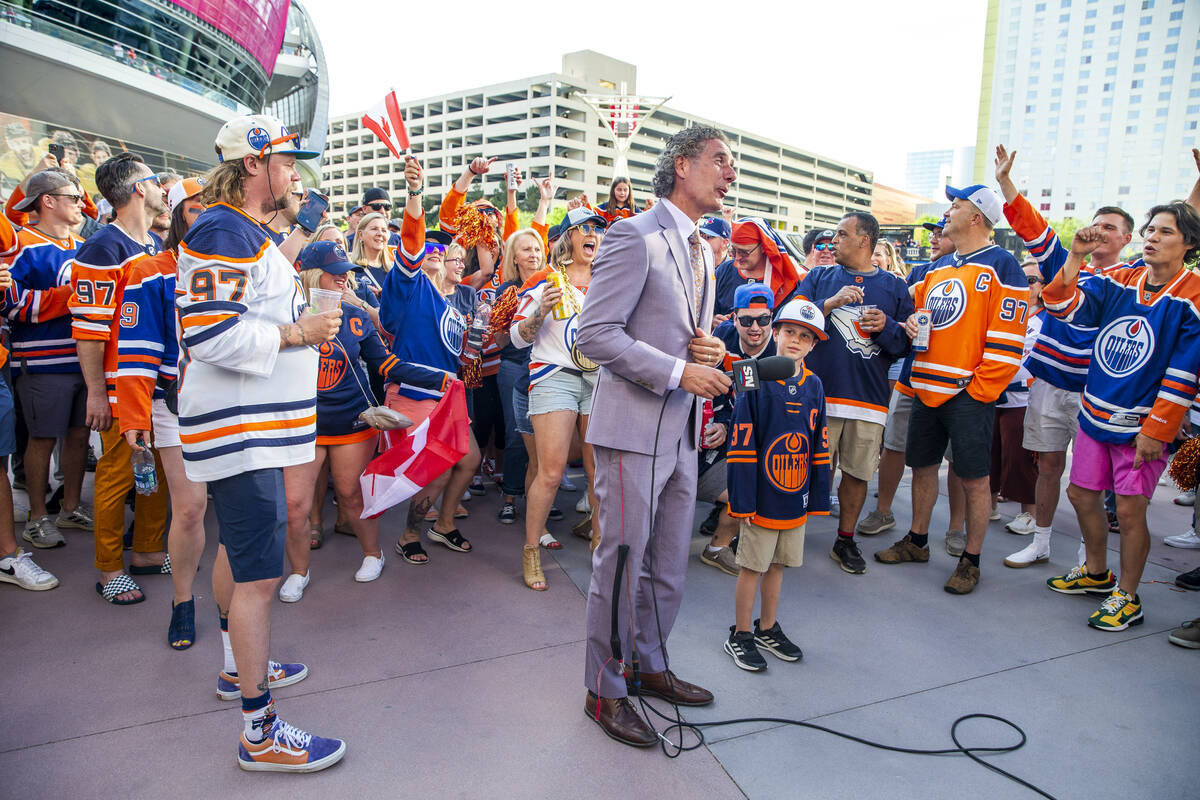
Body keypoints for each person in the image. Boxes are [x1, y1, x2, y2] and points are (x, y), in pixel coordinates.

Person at [174, 114, 344, 771]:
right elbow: (210, 337)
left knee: (243, 561)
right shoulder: (222, 226)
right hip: (241, 432)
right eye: (287, 160)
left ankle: (233, 667)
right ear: (253, 163)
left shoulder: (237, 228)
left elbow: (252, 315)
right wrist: (298, 334)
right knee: (260, 575)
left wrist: (310, 320)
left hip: (254, 430)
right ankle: (259, 731)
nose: (296, 173)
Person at [577, 126, 733, 747]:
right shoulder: (630, 235)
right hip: (634, 430)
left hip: (684, 432)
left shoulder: (703, 250)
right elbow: (594, 334)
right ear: (683, 165)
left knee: (667, 565)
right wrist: (678, 370)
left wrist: (709, 347)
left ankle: (648, 664)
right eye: (720, 161)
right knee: (621, 564)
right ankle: (604, 692)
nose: (729, 174)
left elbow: (684, 332)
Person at [993, 144, 1177, 563]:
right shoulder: (1066, 259)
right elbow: (1032, 226)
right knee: (1048, 465)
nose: (1100, 231)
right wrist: (1005, 182)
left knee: (1093, 481)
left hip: (1097, 393)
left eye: (1110, 227)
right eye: (1096, 224)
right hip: (1050, 382)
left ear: (1128, 238)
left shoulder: (1133, 277)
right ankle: (1040, 541)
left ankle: (1085, 554)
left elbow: (1179, 234)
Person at [1043, 202, 1200, 631]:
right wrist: (1074, 256)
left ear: (1188, 243)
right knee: (1080, 494)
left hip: (1142, 428)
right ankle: (1096, 572)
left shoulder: (1193, 295)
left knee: (1130, 513)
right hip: (1096, 410)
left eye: (1165, 232)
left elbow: (1185, 370)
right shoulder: (1120, 278)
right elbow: (1061, 304)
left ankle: (1128, 596)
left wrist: (1157, 428)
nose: (1151, 236)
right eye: (1150, 229)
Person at [872, 184, 1027, 595]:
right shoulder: (936, 268)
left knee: (974, 479)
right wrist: (902, 323)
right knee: (921, 468)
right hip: (924, 389)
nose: (947, 211)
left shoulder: (1002, 265)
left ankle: (970, 561)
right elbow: (909, 314)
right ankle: (917, 540)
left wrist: (978, 391)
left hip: (966, 394)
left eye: (955, 205)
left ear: (976, 217)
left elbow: (1009, 340)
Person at [115, 175, 216, 647]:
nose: (207, 217)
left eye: (214, 208)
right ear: (176, 215)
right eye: (196, 209)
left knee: (239, 510)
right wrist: (133, 418)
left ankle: (236, 607)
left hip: (235, 404)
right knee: (192, 510)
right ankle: (182, 600)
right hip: (175, 405)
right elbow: (134, 353)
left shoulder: (240, 264)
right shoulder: (148, 270)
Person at [71, 152, 171, 604]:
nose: (163, 189)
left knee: (156, 471)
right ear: (137, 189)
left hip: (153, 384)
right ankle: (109, 567)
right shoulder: (102, 248)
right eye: (154, 181)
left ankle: (148, 550)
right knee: (118, 475)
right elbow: (89, 332)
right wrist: (96, 392)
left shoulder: (151, 244)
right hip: (118, 386)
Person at [378, 156, 482, 566]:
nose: (435, 252)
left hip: (448, 393)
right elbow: (411, 241)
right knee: (435, 467)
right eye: (430, 248)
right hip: (415, 391)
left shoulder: (452, 303)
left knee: (470, 459)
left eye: (445, 249)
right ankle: (407, 534)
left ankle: (443, 525)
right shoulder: (409, 285)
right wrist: (416, 192)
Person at [797, 211, 913, 576]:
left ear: (865, 241)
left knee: (858, 475)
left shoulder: (894, 287)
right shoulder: (819, 277)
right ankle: (785, 531)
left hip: (868, 401)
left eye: (842, 234)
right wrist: (828, 305)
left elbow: (905, 345)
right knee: (805, 470)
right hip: (819, 395)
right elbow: (791, 320)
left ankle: (844, 539)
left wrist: (887, 326)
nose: (834, 241)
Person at [278, 241, 391, 601]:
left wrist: (434, 380)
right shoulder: (286, 316)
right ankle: (298, 572)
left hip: (350, 423)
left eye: (347, 272)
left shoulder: (355, 317)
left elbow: (385, 364)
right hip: (301, 425)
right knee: (295, 505)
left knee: (350, 494)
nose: (344, 278)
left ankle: (373, 554)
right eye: (335, 272)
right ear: (312, 275)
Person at [723, 298, 830, 671]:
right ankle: (739, 633)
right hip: (760, 498)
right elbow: (741, 443)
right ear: (776, 333)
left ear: (814, 344)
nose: (795, 341)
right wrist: (743, 501)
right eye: (789, 332)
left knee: (779, 564)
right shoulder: (751, 374)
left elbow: (819, 442)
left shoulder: (815, 385)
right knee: (752, 565)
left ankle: (767, 627)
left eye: (805, 336)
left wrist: (815, 498)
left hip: (793, 496)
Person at [509, 207, 607, 590]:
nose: (592, 234)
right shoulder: (545, 280)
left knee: (599, 473)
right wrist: (541, 311)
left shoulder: (609, 281)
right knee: (550, 472)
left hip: (600, 380)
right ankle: (531, 549)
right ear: (567, 238)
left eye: (597, 228)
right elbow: (517, 338)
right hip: (555, 377)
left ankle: (600, 545)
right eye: (583, 228)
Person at [857, 216, 964, 545]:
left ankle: (956, 528)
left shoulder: (982, 268)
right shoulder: (921, 273)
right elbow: (902, 319)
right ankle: (884, 510)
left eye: (940, 233)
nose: (933, 238)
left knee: (956, 456)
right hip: (913, 375)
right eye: (932, 233)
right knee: (894, 445)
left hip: (956, 382)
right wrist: (899, 325)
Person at [2, 169, 93, 549]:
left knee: (78, 436)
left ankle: (69, 506)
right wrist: (71, 294)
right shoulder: (21, 244)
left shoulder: (83, 244)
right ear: (48, 201)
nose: (81, 204)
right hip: (40, 361)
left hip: (83, 359)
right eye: (73, 197)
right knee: (41, 438)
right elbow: (13, 305)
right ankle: (37, 516)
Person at [699, 283, 778, 575]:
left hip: (741, 447)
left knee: (752, 491)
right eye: (747, 320)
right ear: (734, 318)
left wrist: (727, 426)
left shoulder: (780, 354)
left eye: (763, 319)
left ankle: (717, 548)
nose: (755, 327)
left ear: (772, 317)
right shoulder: (721, 339)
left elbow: (764, 413)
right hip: (694, 443)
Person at [990, 259, 1041, 565]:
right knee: (992, 452)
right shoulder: (1004, 311)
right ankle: (990, 502)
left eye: (1033, 279)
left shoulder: (1047, 319)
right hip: (993, 394)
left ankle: (1030, 513)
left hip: (1024, 398)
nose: (1027, 283)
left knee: (1020, 456)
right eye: (1022, 277)